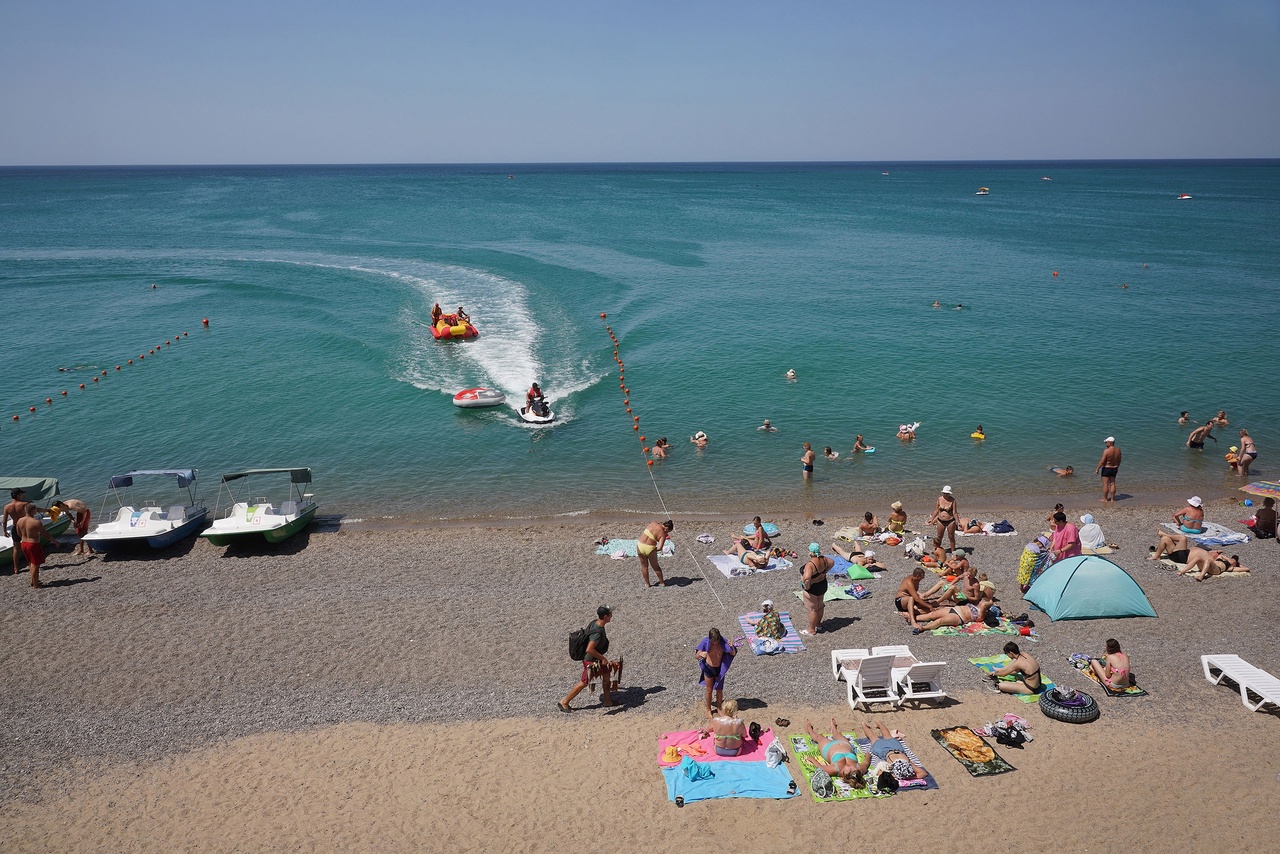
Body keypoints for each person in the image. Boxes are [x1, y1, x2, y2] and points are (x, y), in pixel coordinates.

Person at [559, 606, 616, 711]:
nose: (612, 615)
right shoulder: (597, 633)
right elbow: (589, 649)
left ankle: (608, 701)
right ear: (605, 616)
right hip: (590, 660)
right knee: (584, 682)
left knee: (606, 675)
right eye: (610, 614)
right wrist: (602, 658)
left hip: (596, 659)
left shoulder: (595, 622)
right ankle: (564, 702)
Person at [803, 719, 869, 786]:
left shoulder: (836, 769)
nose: (851, 768)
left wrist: (812, 759)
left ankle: (809, 729)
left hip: (828, 748)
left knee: (819, 737)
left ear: (845, 775)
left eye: (851, 770)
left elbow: (820, 767)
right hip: (844, 744)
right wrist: (868, 756)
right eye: (854, 769)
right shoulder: (859, 769)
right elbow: (866, 763)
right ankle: (833, 728)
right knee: (837, 734)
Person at [863, 720, 929, 786]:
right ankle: (864, 725)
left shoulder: (908, 762)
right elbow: (923, 773)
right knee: (872, 737)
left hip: (896, 748)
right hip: (884, 751)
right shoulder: (892, 766)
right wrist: (909, 777)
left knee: (887, 734)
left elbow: (923, 773)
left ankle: (879, 723)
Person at [696, 627, 738, 718]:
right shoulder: (706, 642)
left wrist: (732, 647)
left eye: (716, 641)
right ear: (710, 639)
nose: (715, 643)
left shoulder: (723, 642)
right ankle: (708, 710)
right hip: (708, 668)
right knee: (709, 690)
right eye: (713, 641)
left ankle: (719, 707)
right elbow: (696, 655)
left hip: (719, 669)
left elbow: (733, 653)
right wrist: (700, 654)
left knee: (719, 690)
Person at [799, 543, 833, 636]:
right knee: (820, 605)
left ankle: (811, 630)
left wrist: (807, 586)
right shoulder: (824, 559)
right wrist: (824, 572)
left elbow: (806, 578)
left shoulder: (810, 564)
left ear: (810, 552)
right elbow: (832, 562)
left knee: (812, 609)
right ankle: (818, 624)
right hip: (822, 584)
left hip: (813, 588)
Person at [3, 488, 38, 574]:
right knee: (29, 545)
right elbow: (36, 510)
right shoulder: (25, 504)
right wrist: (48, 510)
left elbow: (4, 521)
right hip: (24, 527)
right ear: (18, 495)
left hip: (15, 528)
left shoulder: (7, 507)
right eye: (21, 494)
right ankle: (31, 564)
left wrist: (4, 531)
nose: (23, 495)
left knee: (16, 548)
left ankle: (16, 568)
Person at [911, 599, 988, 634]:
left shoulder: (981, 614)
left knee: (939, 621)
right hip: (954, 609)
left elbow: (979, 618)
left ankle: (922, 628)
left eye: (983, 603)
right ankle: (912, 618)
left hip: (959, 616)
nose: (982, 602)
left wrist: (984, 608)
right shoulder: (975, 604)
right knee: (932, 614)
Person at [636, 519, 673, 587]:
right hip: (649, 548)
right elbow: (659, 548)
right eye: (668, 532)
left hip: (640, 546)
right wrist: (653, 549)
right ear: (666, 529)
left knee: (644, 566)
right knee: (656, 567)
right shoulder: (663, 534)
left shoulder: (653, 523)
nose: (667, 533)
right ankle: (662, 583)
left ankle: (647, 584)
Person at [1178, 549, 1250, 581]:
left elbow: (1246, 569)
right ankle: (1182, 571)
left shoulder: (1231, 567)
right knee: (1197, 558)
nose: (1231, 560)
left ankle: (1201, 576)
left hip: (1216, 570)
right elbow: (1220, 554)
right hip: (1208, 565)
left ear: (1235, 564)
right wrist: (1228, 559)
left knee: (1208, 560)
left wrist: (1239, 565)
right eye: (1231, 559)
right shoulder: (1222, 558)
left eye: (1233, 561)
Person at [928, 486, 958, 554]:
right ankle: (937, 550)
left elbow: (955, 513)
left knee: (951, 537)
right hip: (940, 520)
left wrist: (958, 522)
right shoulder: (939, 499)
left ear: (949, 493)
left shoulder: (953, 501)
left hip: (950, 521)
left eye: (947, 493)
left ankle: (953, 552)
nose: (945, 495)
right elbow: (936, 510)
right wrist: (931, 519)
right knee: (939, 536)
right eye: (944, 493)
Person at [1095, 437, 1121, 503]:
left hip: (1107, 468)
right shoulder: (1118, 450)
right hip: (1114, 468)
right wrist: (1117, 467)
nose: (1106, 444)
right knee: (1112, 483)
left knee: (1105, 484)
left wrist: (1097, 468)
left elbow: (1102, 461)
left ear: (1109, 443)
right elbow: (1119, 460)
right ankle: (1112, 499)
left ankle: (1105, 499)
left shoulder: (1106, 450)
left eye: (1106, 442)